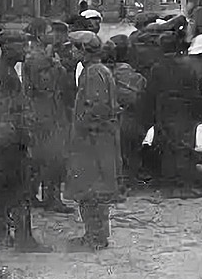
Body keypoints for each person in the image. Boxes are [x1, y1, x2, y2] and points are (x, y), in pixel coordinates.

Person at [0, 30, 52, 252]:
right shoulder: (0, 74)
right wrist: (22, 134)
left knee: (6, 190)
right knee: (15, 191)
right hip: (7, 143)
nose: (26, 51)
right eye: (21, 46)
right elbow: (0, 111)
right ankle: (20, 240)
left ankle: (8, 237)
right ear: (7, 48)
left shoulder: (8, 71)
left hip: (6, 141)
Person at [64, 30, 122, 251]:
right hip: (97, 139)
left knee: (91, 189)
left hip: (93, 141)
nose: (71, 52)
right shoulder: (96, 70)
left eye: (74, 47)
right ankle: (96, 235)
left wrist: (81, 129)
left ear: (83, 50)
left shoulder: (93, 73)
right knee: (95, 188)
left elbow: (97, 109)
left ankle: (95, 237)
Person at [22, 18, 75, 214]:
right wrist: (56, 65)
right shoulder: (38, 57)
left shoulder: (40, 55)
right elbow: (45, 84)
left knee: (42, 156)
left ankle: (37, 195)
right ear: (39, 35)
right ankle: (51, 198)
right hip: (45, 110)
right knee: (53, 156)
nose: (52, 35)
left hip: (46, 109)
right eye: (49, 31)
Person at [145, 32, 202, 199]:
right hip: (184, 110)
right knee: (184, 147)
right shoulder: (187, 67)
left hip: (164, 109)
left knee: (166, 146)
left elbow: (151, 92)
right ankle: (184, 186)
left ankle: (168, 186)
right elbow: (195, 91)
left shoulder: (157, 68)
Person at [104, 36, 149, 193]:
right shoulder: (126, 70)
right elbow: (141, 85)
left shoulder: (98, 70)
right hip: (127, 116)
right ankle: (128, 180)